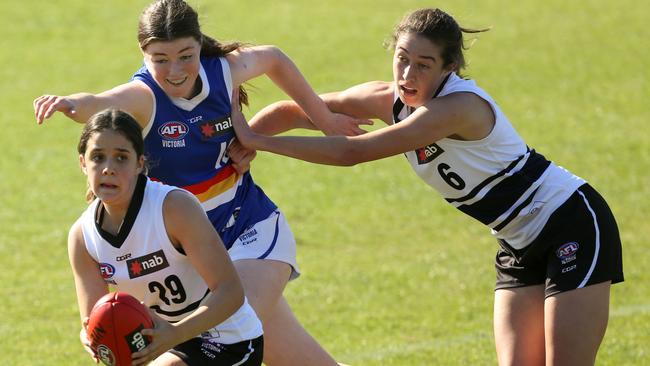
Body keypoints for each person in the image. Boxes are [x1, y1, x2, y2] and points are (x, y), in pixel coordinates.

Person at [230, 8, 624, 366]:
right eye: (402, 58)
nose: (407, 75)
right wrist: (238, 149)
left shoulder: (457, 108)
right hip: (518, 243)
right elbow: (291, 112)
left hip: (571, 224)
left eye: (423, 65)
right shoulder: (385, 98)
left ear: (448, 68)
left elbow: (352, 153)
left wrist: (259, 141)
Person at [33, 1, 369, 364]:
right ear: (143, 54)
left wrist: (324, 118)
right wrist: (69, 103)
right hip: (192, 258)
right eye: (160, 59)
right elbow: (100, 103)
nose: (175, 71)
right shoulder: (143, 97)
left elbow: (273, 58)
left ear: (198, 44)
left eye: (185, 56)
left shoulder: (222, 72)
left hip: (248, 233)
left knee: (217, 346)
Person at [69, 108, 263, 365]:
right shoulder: (82, 237)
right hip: (163, 346)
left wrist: (176, 333)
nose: (108, 169)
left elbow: (231, 292)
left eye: (121, 158)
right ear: (83, 163)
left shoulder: (173, 208)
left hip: (230, 341)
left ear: (140, 163)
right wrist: (92, 335)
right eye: (98, 157)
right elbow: (96, 319)